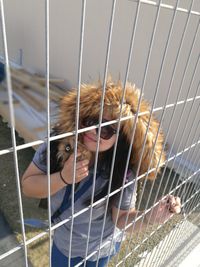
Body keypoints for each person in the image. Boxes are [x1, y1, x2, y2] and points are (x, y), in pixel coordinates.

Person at [21, 79, 181, 267]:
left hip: (102, 248)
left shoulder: (122, 171)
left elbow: (121, 218)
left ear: (119, 138)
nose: (93, 130)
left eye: (106, 129)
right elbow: (27, 187)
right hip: (65, 245)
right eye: (91, 120)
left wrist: (148, 217)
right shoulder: (57, 146)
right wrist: (63, 177)